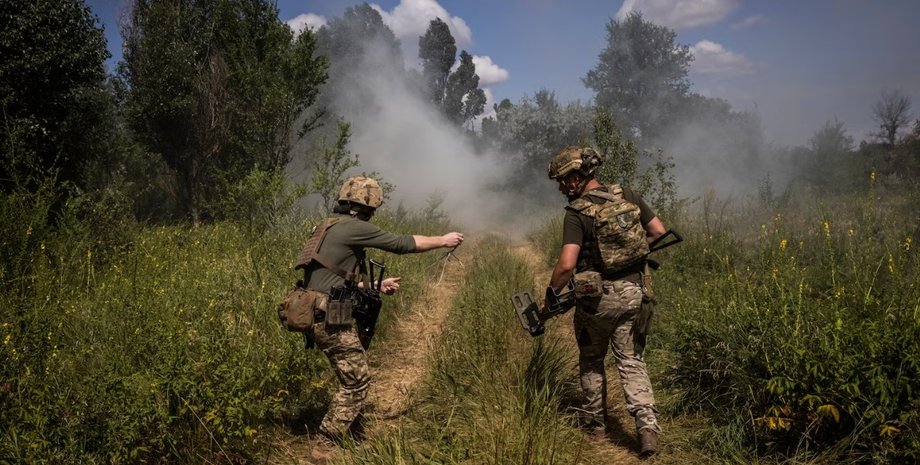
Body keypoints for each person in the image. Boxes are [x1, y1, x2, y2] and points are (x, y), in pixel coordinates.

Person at [298, 176, 463, 462]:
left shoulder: (327, 226)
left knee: (351, 367)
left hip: (311, 307)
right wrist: (442, 240)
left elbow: (330, 275)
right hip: (326, 311)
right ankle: (325, 445)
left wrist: (375, 286)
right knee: (357, 381)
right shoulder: (354, 228)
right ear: (369, 205)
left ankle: (347, 421)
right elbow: (400, 243)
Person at [545, 146, 666, 458]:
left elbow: (567, 264)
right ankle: (647, 428)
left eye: (562, 181)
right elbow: (658, 231)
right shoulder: (627, 194)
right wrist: (633, 252)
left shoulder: (577, 213)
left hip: (596, 301)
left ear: (576, 177)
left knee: (592, 359)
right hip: (635, 293)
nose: (561, 187)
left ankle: (595, 427)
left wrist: (552, 292)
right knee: (631, 360)